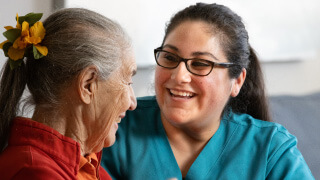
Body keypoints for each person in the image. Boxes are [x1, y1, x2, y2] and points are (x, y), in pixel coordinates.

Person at [101, 3, 314, 179]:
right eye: (170, 58)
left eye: (201, 63)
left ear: (237, 81)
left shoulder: (272, 150)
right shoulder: (114, 128)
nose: (179, 75)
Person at [0, 8, 137, 179]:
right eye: (128, 82)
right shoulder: (33, 172)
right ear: (88, 85)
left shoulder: (86, 165)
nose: (133, 102)